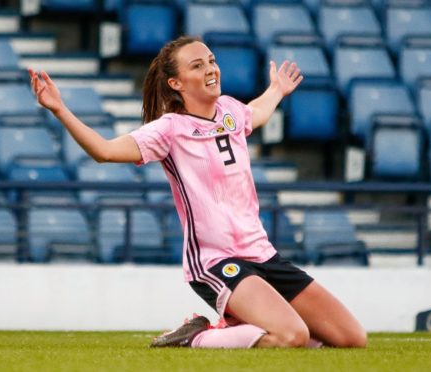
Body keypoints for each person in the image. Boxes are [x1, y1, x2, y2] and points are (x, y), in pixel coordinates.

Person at [29, 35, 367, 349]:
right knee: (292, 335)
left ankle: (240, 327)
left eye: (211, 60)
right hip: (216, 261)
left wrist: (276, 89)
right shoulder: (168, 129)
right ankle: (198, 337)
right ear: (176, 83)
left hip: (262, 253)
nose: (210, 69)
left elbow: (259, 112)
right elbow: (104, 151)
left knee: (352, 338)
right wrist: (60, 109)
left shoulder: (231, 111)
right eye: (197, 65)